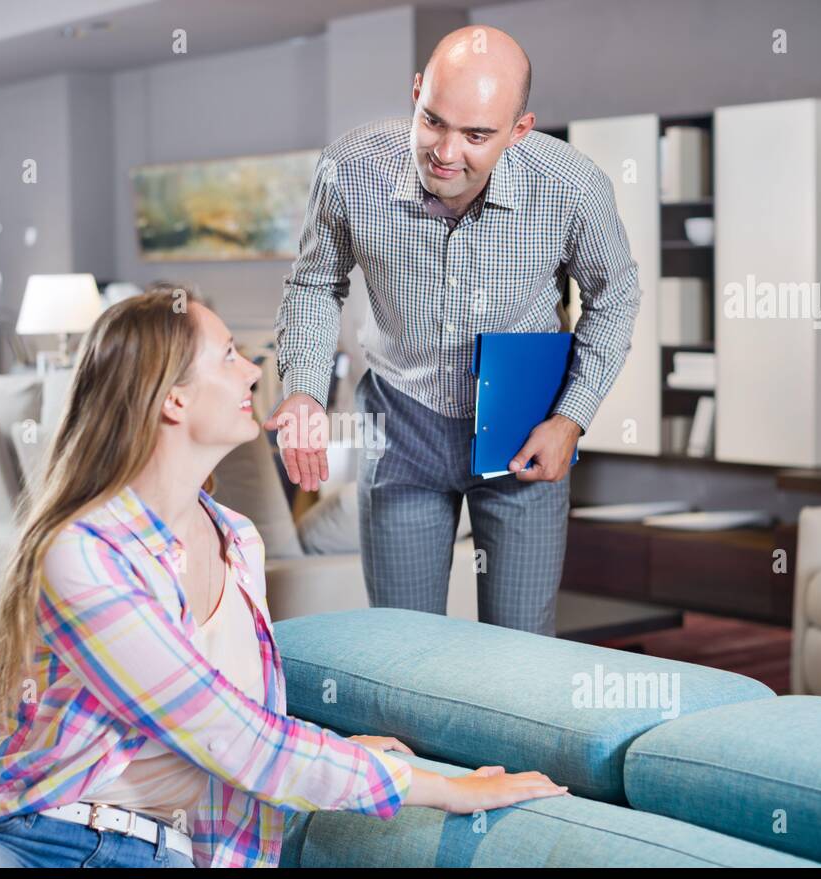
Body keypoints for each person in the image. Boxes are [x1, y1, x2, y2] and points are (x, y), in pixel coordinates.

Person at [0, 284, 568, 869]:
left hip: (167, 851)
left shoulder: (238, 540)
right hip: (28, 837)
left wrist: (327, 747)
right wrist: (447, 789)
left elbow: (237, 717)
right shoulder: (83, 551)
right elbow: (230, 736)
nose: (251, 373)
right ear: (172, 400)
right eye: (230, 356)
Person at [265, 25, 641, 636]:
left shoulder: (572, 187)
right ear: (416, 92)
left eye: (476, 135)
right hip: (401, 418)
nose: (445, 152)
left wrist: (570, 417)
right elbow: (314, 284)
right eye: (433, 120)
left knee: (519, 651)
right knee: (407, 648)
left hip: (523, 426)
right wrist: (304, 389)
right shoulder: (348, 170)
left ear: (519, 130)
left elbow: (616, 296)